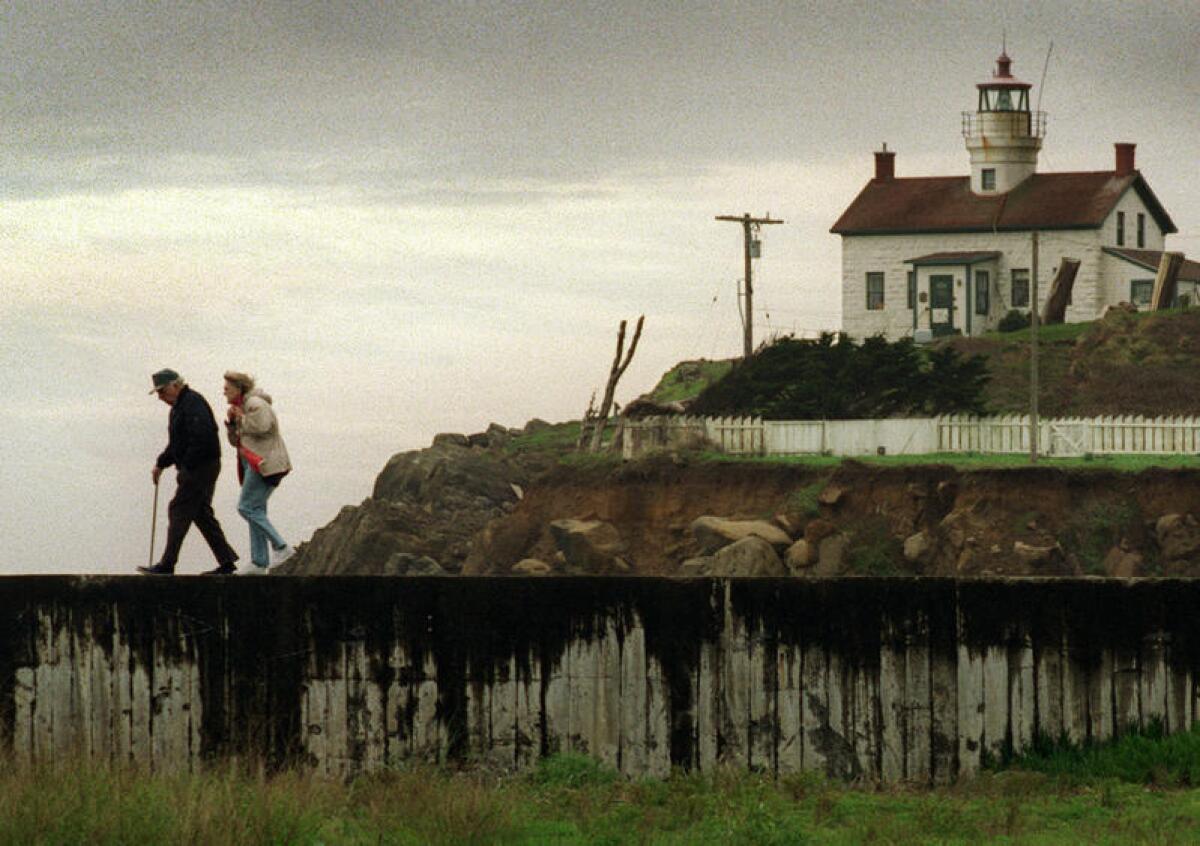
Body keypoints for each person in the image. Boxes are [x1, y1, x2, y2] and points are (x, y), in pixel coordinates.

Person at [139, 369, 240, 575]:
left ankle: (167, 564)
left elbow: (201, 437)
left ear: (175, 386)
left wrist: (186, 467)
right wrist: (161, 463)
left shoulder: (192, 402)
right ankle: (227, 561)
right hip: (202, 465)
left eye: (162, 391)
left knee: (178, 508)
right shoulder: (179, 407)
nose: (160, 397)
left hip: (201, 466)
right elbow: (177, 443)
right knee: (201, 513)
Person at [222, 371, 294, 574]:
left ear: (238, 388)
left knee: (246, 507)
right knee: (256, 509)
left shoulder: (256, 404)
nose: (224, 392)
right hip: (254, 463)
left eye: (227, 388)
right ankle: (259, 561)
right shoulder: (242, 407)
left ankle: (281, 547)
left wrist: (241, 419)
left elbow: (262, 426)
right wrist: (233, 425)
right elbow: (236, 441)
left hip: (265, 464)